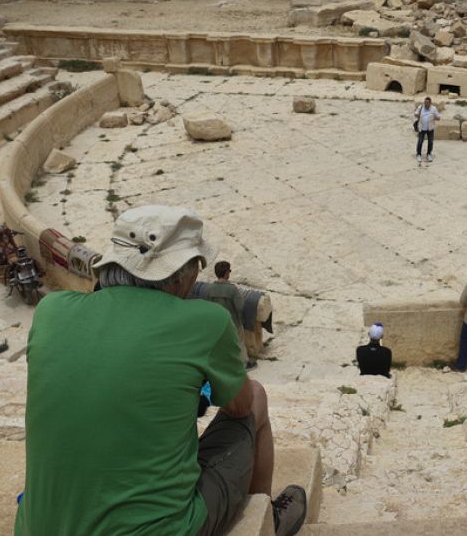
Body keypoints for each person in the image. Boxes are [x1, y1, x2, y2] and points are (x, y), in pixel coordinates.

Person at [16, 205, 306, 536]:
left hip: (40, 528)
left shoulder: (51, 312)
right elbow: (238, 406)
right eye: (196, 266)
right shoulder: (205, 322)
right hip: (161, 530)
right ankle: (267, 520)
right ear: (183, 273)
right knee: (256, 396)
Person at [206, 260, 256, 369]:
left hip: (218, 322)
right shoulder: (232, 289)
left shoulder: (210, 289)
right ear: (226, 273)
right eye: (229, 270)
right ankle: (244, 364)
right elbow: (240, 306)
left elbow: (208, 306)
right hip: (234, 322)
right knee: (239, 343)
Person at [414, 96, 441, 163]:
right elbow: (416, 114)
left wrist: (433, 117)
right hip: (422, 128)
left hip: (430, 128)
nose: (425, 104)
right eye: (425, 103)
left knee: (430, 142)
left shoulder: (433, 109)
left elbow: (438, 118)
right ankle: (418, 154)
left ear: (430, 103)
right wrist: (417, 116)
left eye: (427, 103)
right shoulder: (421, 107)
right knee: (420, 142)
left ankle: (429, 154)